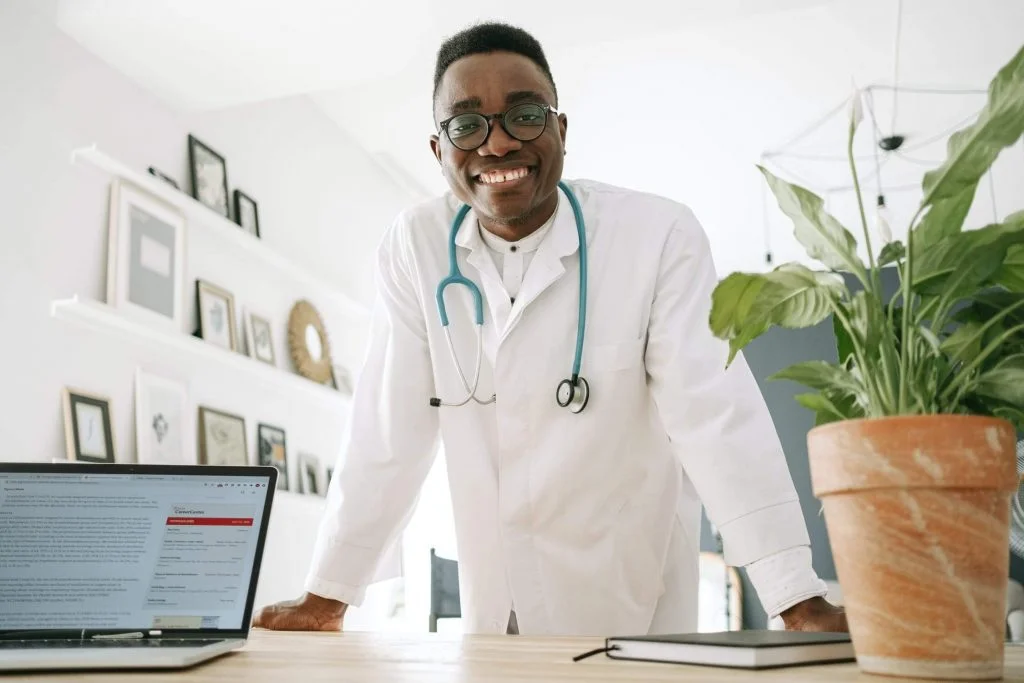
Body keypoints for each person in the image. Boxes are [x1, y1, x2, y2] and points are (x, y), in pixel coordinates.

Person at [253, 22, 847, 636]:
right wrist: (329, 594)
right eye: (466, 125)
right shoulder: (416, 248)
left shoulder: (655, 235)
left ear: (560, 129)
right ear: (439, 151)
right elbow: (386, 430)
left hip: (629, 604)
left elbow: (716, 416)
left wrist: (794, 597)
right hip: (496, 605)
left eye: (525, 114)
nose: (498, 143)